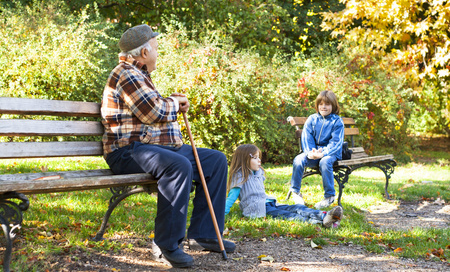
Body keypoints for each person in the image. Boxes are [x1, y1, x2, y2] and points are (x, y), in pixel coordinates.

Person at [101, 24, 235, 268]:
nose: (158, 53)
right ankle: (167, 244)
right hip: (127, 152)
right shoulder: (126, 74)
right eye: (156, 48)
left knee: (215, 160)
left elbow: (154, 108)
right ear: (144, 53)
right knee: (177, 165)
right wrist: (174, 102)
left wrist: (172, 101)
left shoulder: (140, 75)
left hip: (150, 149)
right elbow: (153, 112)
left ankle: (204, 233)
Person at [225, 144, 343, 227]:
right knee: (287, 215)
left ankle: (324, 216)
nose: (259, 161)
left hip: (268, 202)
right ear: (244, 160)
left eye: (259, 158)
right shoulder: (240, 176)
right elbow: (232, 197)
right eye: (255, 158)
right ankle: (318, 222)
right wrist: (221, 213)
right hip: (256, 208)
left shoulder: (258, 172)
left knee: (296, 207)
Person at [286, 90, 344, 209]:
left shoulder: (337, 121)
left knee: (325, 161)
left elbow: (336, 142)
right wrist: (310, 152)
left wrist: (322, 153)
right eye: (321, 104)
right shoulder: (312, 119)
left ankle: (329, 196)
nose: (323, 107)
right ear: (317, 105)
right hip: (313, 153)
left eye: (327, 104)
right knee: (298, 160)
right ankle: (296, 192)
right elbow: (307, 137)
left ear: (333, 106)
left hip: (330, 153)